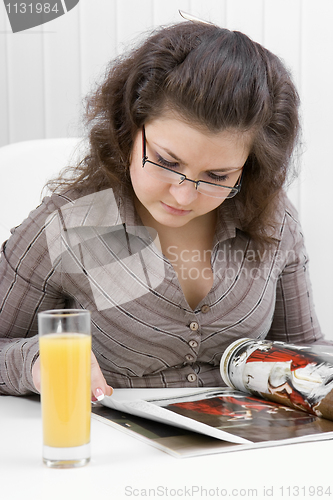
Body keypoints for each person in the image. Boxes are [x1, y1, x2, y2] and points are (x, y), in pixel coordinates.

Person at [0, 18, 328, 400]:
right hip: (112, 452)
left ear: (250, 167)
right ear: (129, 128)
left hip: (246, 454)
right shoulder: (66, 226)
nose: (184, 196)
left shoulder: (273, 220)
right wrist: (39, 362)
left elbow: (306, 353)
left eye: (218, 175)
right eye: (167, 162)